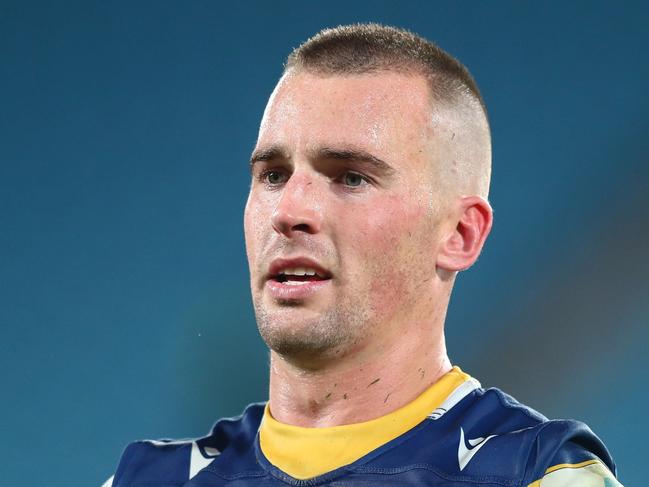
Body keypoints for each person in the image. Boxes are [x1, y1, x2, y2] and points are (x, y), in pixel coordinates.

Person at [105, 24, 622, 486]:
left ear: (461, 234)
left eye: (350, 177)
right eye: (273, 175)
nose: (289, 211)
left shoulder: (533, 474)